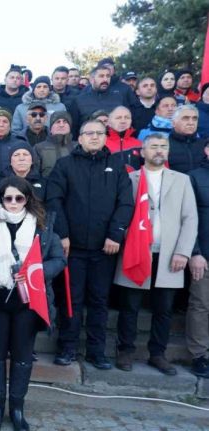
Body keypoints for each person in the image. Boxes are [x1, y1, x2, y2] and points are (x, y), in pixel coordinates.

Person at [0, 176, 65, 431]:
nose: (13, 203)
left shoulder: (42, 225)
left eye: (18, 198)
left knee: (22, 357)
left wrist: (36, 270)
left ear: (27, 199)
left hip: (28, 301)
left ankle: (17, 408)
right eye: (7, 198)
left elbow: (58, 260)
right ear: (0, 199)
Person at [46, 120, 134, 369]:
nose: (95, 137)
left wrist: (115, 235)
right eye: (89, 133)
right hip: (71, 248)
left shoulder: (116, 166)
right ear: (80, 138)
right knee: (71, 300)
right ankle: (68, 348)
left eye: (99, 133)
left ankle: (96, 351)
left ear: (105, 137)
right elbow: (54, 199)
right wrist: (61, 234)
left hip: (104, 248)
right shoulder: (65, 165)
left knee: (99, 300)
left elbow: (125, 203)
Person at [114, 134, 197, 376]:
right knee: (130, 305)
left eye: (164, 147)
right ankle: (126, 350)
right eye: (154, 147)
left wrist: (183, 251)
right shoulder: (129, 179)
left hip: (169, 253)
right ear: (143, 151)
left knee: (164, 308)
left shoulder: (182, 180)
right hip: (136, 250)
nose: (160, 151)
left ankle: (157, 354)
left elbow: (190, 218)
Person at [187, 139, 209, 378]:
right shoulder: (194, 177)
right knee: (201, 305)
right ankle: (200, 355)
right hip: (204, 253)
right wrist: (195, 252)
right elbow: (189, 217)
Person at [35, 111, 75, 177]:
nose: (61, 125)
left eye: (65, 122)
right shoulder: (39, 148)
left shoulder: (78, 147)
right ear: (51, 129)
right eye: (58, 122)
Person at [168, 105, 206, 174]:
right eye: (185, 118)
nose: (191, 123)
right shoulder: (165, 145)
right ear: (173, 123)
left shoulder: (204, 145)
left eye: (194, 119)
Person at [106, 106, 143, 171]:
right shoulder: (101, 143)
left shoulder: (139, 144)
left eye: (127, 118)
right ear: (109, 122)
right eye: (118, 118)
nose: (123, 121)